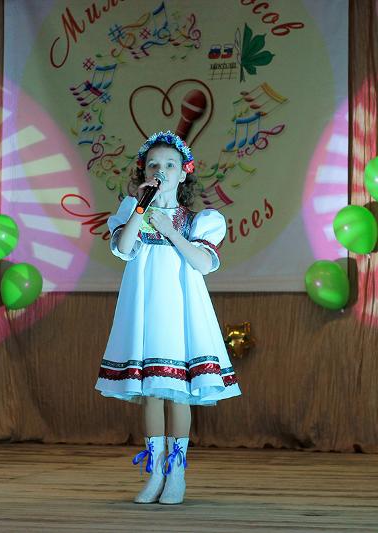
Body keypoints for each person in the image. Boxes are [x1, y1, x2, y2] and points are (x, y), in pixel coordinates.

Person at [95, 131, 241, 505]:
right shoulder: (133, 210)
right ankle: (155, 473)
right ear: (144, 172)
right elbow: (124, 248)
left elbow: (202, 263)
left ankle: (177, 474)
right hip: (145, 305)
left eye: (170, 165)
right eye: (154, 165)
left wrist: (170, 231)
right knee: (151, 392)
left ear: (184, 172)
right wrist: (142, 209)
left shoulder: (198, 220)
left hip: (180, 306)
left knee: (178, 392)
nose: (162, 171)